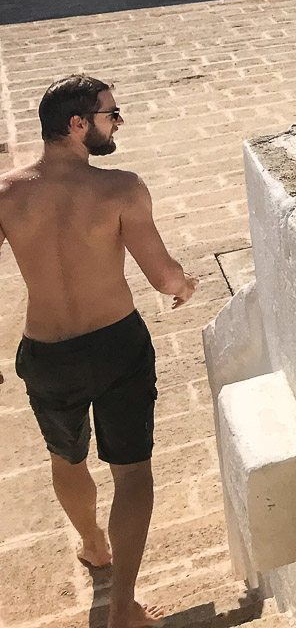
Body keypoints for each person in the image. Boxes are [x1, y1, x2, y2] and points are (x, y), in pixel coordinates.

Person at [0, 75, 199, 628]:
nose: (118, 123)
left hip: (47, 353)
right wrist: (185, 285)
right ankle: (122, 610)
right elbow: (162, 278)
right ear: (77, 124)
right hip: (116, 346)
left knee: (66, 457)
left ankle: (93, 546)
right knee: (132, 473)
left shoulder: (7, 193)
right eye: (112, 114)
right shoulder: (120, 187)